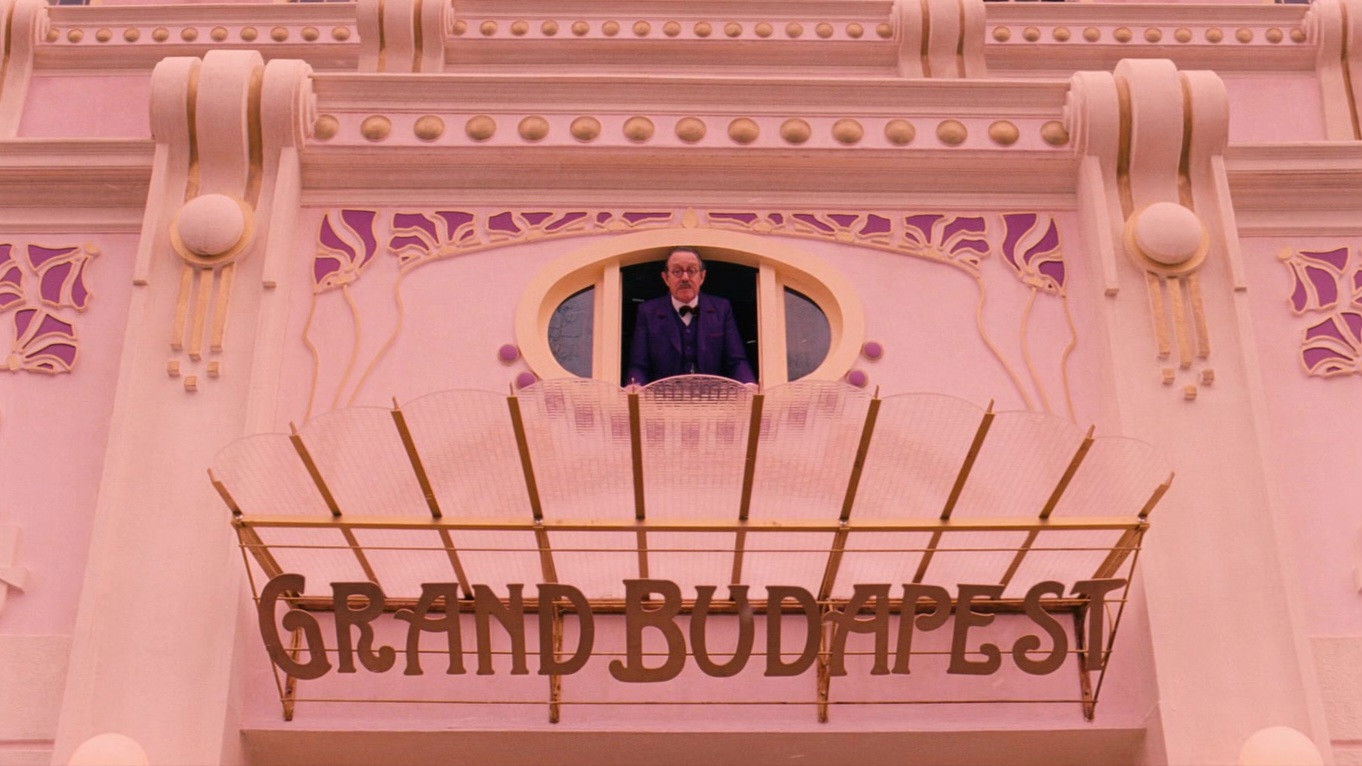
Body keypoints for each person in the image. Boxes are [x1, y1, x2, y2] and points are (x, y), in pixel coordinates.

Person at [625, 248, 756, 386]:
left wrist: (748, 384)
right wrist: (635, 386)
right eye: (677, 271)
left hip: (712, 397)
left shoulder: (722, 309)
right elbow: (639, 364)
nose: (685, 278)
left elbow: (736, 360)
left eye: (692, 271)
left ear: (702, 276)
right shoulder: (647, 312)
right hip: (663, 397)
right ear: (666, 278)